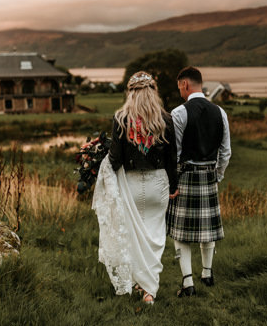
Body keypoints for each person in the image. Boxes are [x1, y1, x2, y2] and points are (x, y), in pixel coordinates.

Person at [92, 71, 177, 305]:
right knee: (154, 236)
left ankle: (144, 287)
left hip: (130, 186)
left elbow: (116, 159)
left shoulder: (121, 118)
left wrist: (98, 164)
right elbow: (172, 158)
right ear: (153, 92)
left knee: (135, 238)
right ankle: (148, 289)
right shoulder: (166, 119)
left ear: (130, 93)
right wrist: (174, 186)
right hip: (158, 183)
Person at [166, 66, 231, 297]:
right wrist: (217, 175)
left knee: (180, 233)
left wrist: (172, 182)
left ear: (185, 84)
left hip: (185, 177)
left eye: (180, 88)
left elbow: (174, 152)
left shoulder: (178, 113)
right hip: (209, 176)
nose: (180, 93)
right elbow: (226, 152)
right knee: (207, 230)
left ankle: (188, 284)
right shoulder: (220, 112)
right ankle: (207, 273)